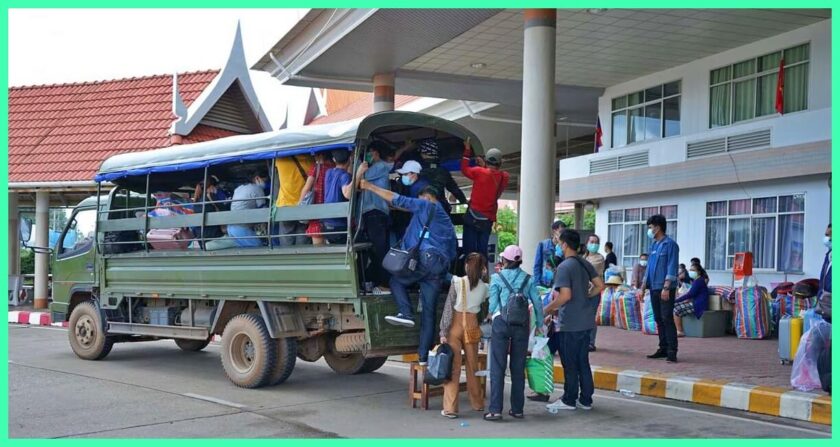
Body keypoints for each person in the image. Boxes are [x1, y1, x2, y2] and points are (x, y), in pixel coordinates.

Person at [357, 179, 456, 365]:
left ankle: (406, 312)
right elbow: (451, 251)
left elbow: (399, 200)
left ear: (427, 197)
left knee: (396, 281)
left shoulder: (426, 205)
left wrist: (369, 186)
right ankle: (423, 357)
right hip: (437, 269)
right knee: (429, 313)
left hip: (425, 261)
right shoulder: (445, 219)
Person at [545, 229, 605, 412]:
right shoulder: (584, 262)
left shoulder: (564, 267)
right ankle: (586, 399)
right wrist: (586, 297)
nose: (557, 245)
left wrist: (546, 310)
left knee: (569, 362)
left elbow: (564, 296)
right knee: (582, 361)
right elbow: (600, 286)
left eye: (558, 242)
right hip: (586, 321)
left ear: (564, 244)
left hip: (570, 322)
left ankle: (569, 399)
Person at [484, 245, 543, 421]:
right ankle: (517, 409)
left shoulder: (497, 278)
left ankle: (495, 410)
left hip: (501, 324)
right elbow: (538, 303)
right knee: (518, 368)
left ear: (504, 260)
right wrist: (540, 324)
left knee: (497, 367)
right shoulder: (529, 279)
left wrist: (490, 316)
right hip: (521, 326)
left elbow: (493, 305)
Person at [438, 253, 489, 418]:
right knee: (473, 366)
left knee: (453, 367)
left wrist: (443, 331)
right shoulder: (485, 288)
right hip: (472, 326)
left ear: (467, 266)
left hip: (455, 325)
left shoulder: (457, 282)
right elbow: (485, 309)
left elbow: (448, 307)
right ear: (482, 269)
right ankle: (477, 403)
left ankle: (450, 409)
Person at [355, 142, 395, 294]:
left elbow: (361, 177)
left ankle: (385, 284)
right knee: (372, 250)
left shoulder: (381, 166)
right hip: (371, 213)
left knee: (379, 250)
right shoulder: (378, 167)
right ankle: (374, 282)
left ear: (376, 153)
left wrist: (358, 164)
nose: (367, 156)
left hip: (376, 213)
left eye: (369, 152)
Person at [639, 214, 680, 363]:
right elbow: (649, 268)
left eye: (650, 227)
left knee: (667, 318)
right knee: (658, 318)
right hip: (654, 287)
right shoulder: (654, 246)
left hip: (665, 288)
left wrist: (667, 287)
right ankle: (662, 347)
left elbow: (672, 266)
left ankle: (671, 350)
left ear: (658, 227)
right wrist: (643, 286)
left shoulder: (670, 245)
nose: (649, 230)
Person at [461, 139, 509, 261]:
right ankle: (482, 275)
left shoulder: (478, 171)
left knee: (469, 251)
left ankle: (469, 275)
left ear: (486, 159)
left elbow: (464, 169)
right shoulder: (504, 177)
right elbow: (492, 176)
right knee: (482, 252)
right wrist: (484, 166)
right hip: (487, 219)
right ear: (500, 162)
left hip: (472, 216)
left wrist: (467, 150)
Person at [417, 139, 468, 214]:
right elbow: (454, 189)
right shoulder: (442, 171)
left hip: (422, 209)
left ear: (424, 154)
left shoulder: (417, 170)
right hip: (440, 208)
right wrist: (463, 200)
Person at [273, 154, 314, 247]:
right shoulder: (309, 158)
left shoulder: (279, 159)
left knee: (286, 238)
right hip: (303, 204)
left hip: (284, 204)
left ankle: (286, 259)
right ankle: (301, 258)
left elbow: (276, 182)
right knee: (302, 235)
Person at [226, 168, 269, 247]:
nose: (265, 183)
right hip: (241, 228)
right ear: (257, 178)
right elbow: (263, 211)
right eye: (265, 180)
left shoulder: (238, 188)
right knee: (260, 249)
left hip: (230, 228)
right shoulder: (258, 189)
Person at [299, 152, 335, 246]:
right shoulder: (334, 167)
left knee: (319, 248)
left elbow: (307, 188)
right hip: (332, 213)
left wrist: (299, 206)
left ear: (320, 155)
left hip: (317, 213)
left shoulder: (316, 168)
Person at [322, 149, 354, 244]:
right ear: (349, 159)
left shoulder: (329, 172)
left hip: (326, 224)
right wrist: (358, 174)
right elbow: (347, 194)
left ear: (334, 160)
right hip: (339, 226)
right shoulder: (345, 176)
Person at [190, 175, 228, 246]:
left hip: (201, 241)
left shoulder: (196, 200)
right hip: (214, 239)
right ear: (212, 186)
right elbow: (225, 210)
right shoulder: (210, 196)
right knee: (238, 240)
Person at [674, 263, 710, 337]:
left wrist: (676, 300)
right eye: (690, 270)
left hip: (699, 306)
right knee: (675, 306)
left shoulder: (699, 281)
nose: (690, 272)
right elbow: (694, 295)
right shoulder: (696, 280)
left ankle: (680, 331)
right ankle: (677, 329)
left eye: (693, 270)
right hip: (695, 303)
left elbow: (689, 294)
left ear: (699, 272)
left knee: (676, 308)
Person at [584, 234, 605, 352]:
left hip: (594, 291)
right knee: (584, 316)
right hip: (583, 291)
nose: (593, 244)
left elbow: (589, 270)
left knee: (590, 316)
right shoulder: (584, 257)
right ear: (587, 243)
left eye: (596, 242)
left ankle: (591, 342)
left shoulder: (599, 258)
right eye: (591, 241)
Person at [535, 221, 567, 287]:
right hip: (545, 281)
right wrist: (537, 283)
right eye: (560, 231)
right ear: (554, 231)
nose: (562, 234)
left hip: (560, 282)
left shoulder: (565, 246)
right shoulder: (543, 244)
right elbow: (537, 265)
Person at [817, 223, 831, 323]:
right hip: (826, 302)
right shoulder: (829, 255)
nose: (827, 238)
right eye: (826, 235)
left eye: (830, 235)